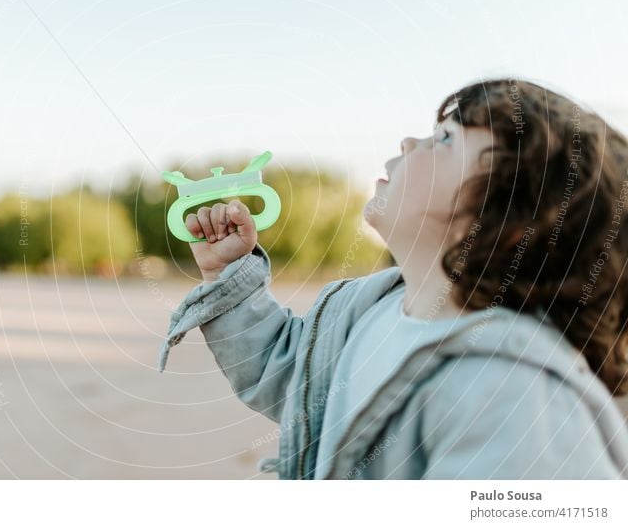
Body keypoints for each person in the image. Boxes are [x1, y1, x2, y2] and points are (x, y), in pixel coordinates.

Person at [158, 78, 628, 479]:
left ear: (509, 220)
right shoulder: (369, 310)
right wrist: (230, 272)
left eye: (445, 141)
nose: (408, 142)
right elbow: (292, 380)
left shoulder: (513, 396)